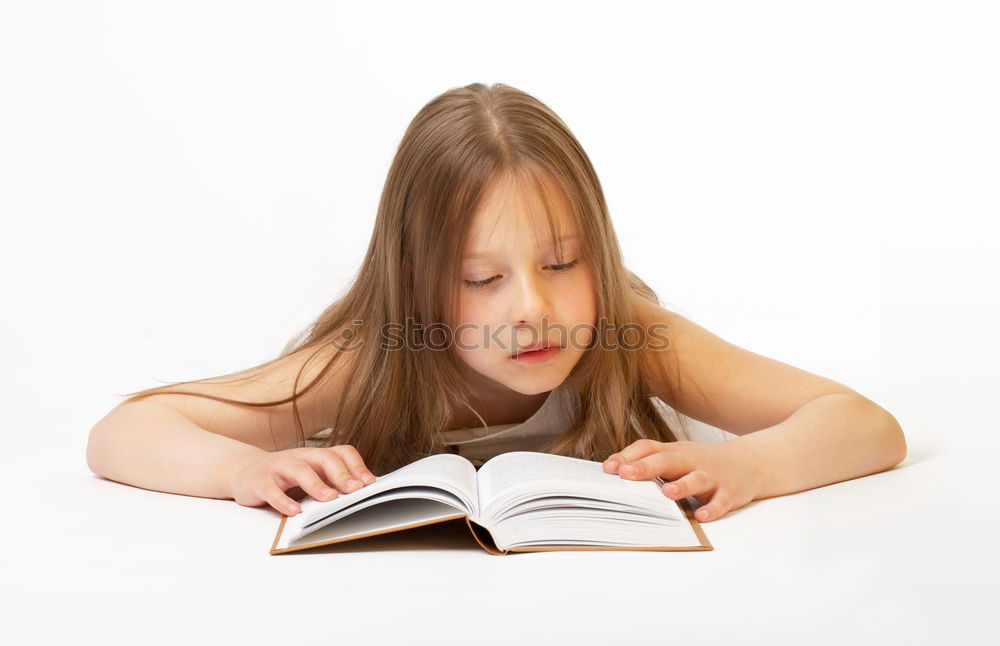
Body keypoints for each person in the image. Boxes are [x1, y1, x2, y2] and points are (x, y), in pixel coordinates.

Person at [86, 82, 906, 524]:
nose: (533, 308)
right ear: (418, 284)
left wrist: (752, 464)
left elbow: (864, 422)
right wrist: (241, 468)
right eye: (482, 279)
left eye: (561, 262)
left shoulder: (629, 330)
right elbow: (124, 431)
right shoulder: (374, 355)